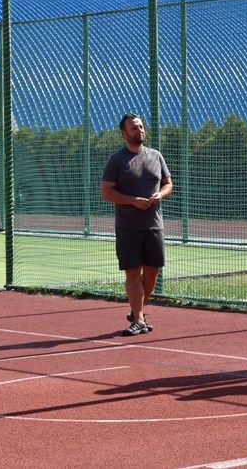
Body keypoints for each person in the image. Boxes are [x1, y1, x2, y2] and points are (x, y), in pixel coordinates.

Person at [101, 113, 173, 337]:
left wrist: (161, 194)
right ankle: (139, 320)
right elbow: (106, 192)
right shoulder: (116, 160)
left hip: (154, 225)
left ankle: (136, 312)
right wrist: (133, 201)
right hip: (127, 227)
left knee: (152, 272)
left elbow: (168, 184)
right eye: (133, 128)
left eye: (141, 126)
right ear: (124, 134)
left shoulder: (156, 156)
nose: (139, 130)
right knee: (133, 273)